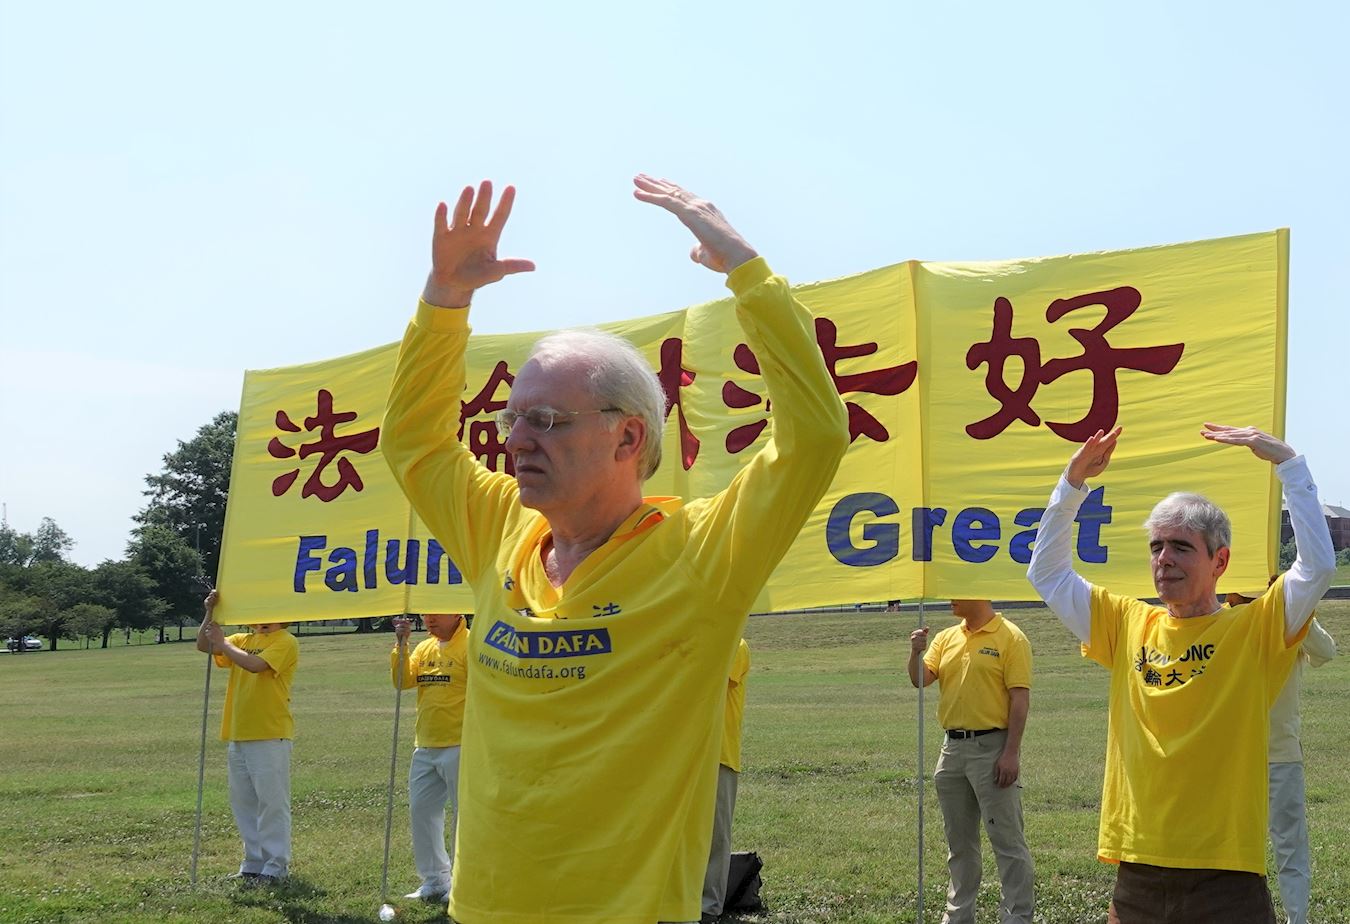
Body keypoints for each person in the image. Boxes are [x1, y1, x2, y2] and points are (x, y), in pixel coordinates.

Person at [381, 176, 849, 924]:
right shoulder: (500, 526)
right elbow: (413, 442)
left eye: (545, 420)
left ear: (628, 436)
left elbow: (816, 435)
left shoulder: (702, 554)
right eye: (511, 419)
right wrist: (446, 299)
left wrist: (747, 273)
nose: (516, 440)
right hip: (482, 909)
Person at [1026, 424, 1336, 924]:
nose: (1164, 559)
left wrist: (1289, 464)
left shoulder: (1255, 627)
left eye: (1181, 547)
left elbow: (1317, 568)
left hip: (1225, 876)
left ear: (1220, 561)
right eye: (1156, 547)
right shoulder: (1126, 622)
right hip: (1138, 872)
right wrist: (1072, 485)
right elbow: (1046, 574)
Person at [908, 599, 1034, 924]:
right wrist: (915, 653)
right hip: (951, 751)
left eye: (956, 591)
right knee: (960, 844)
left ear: (977, 592)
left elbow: (1020, 698)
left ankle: (1016, 918)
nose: (949, 598)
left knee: (1007, 842)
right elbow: (921, 679)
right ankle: (958, 917)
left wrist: (1011, 753)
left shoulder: (1011, 637)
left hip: (993, 749)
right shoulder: (946, 637)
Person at [1227, 589, 1337, 924]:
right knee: (1231, 849)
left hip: (1281, 755)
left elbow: (1326, 652)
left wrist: (1296, 609)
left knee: (1290, 845)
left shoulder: (1289, 621)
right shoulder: (1223, 621)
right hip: (1232, 759)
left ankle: (1297, 919)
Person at [195, 589, 299, 885]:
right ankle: (253, 862)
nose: (263, 621)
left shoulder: (285, 641)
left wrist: (223, 644)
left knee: (271, 802)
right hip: (239, 732)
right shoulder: (243, 639)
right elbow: (204, 644)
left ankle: (276, 865)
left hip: (270, 733)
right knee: (244, 802)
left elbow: (256, 666)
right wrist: (210, 612)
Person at [390, 613, 469, 904]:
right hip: (425, 743)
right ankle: (435, 880)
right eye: (426, 613)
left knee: (464, 815)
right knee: (422, 811)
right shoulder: (424, 647)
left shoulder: (471, 645)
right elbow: (402, 681)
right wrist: (401, 645)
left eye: (436, 612)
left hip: (461, 742)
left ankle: (462, 883)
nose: (429, 618)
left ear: (456, 612)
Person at [701, 638, 751, 924]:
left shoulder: (736, 645)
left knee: (715, 835)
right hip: (687, 757)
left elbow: (708, 680)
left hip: (720, 755)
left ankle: (708, 907)